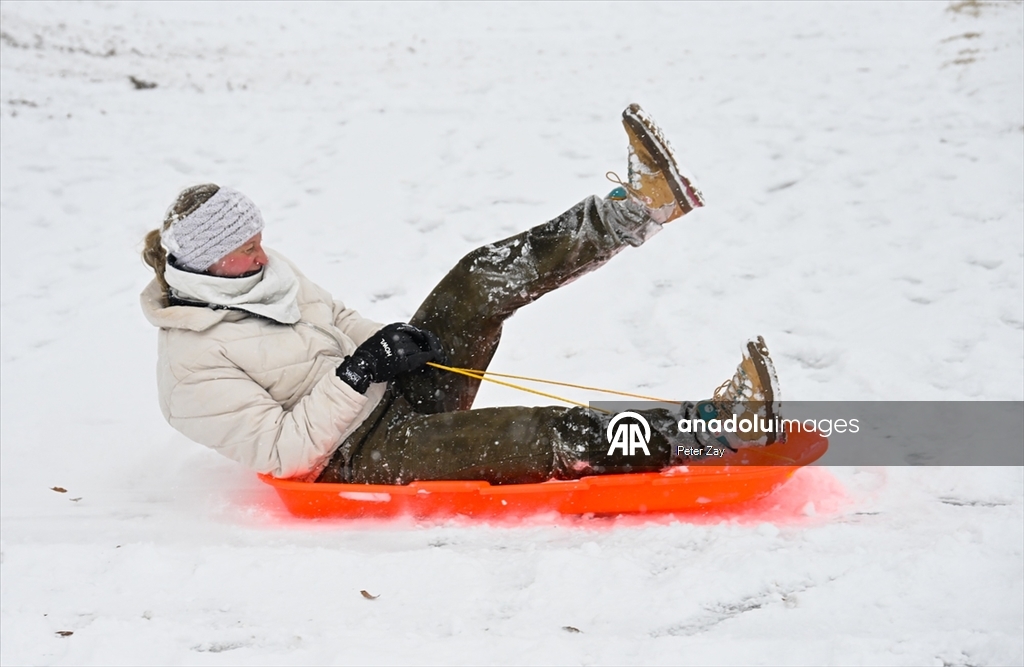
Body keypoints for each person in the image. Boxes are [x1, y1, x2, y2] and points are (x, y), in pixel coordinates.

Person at [140, 104, 782, 484]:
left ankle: (635, 210)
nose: (261, 252)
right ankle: (720, 430)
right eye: (244, 247)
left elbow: (332, 316)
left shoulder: (262, 272)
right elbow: (283, 455)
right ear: (201, 264)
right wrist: (358, 373)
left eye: (258, 237)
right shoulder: (189, 369)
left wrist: (385, 346)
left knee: (477, 277)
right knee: (539, 436)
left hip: (391, 392)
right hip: (357, 455)